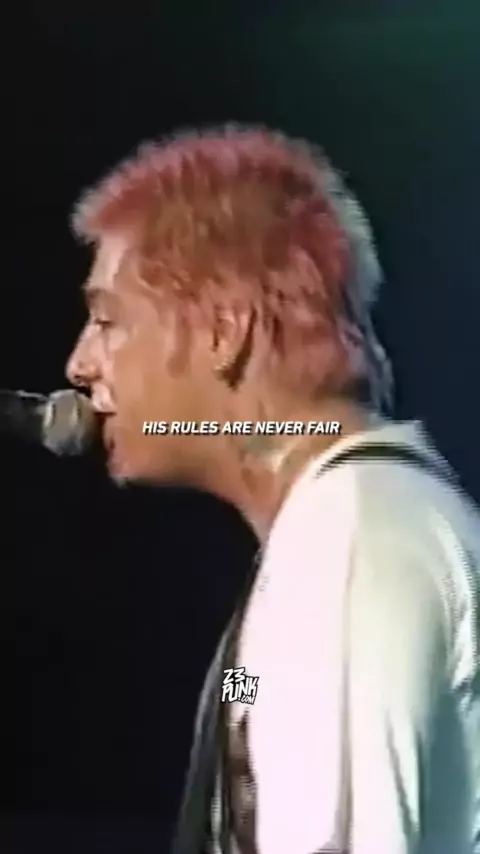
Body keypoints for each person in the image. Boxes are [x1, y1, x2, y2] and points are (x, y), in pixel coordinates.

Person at [66, 126, 480, 854]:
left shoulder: (351, 538)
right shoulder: (318, 542)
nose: (79, 364)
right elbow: (251, 699)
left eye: (107, 320)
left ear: (225, 332)